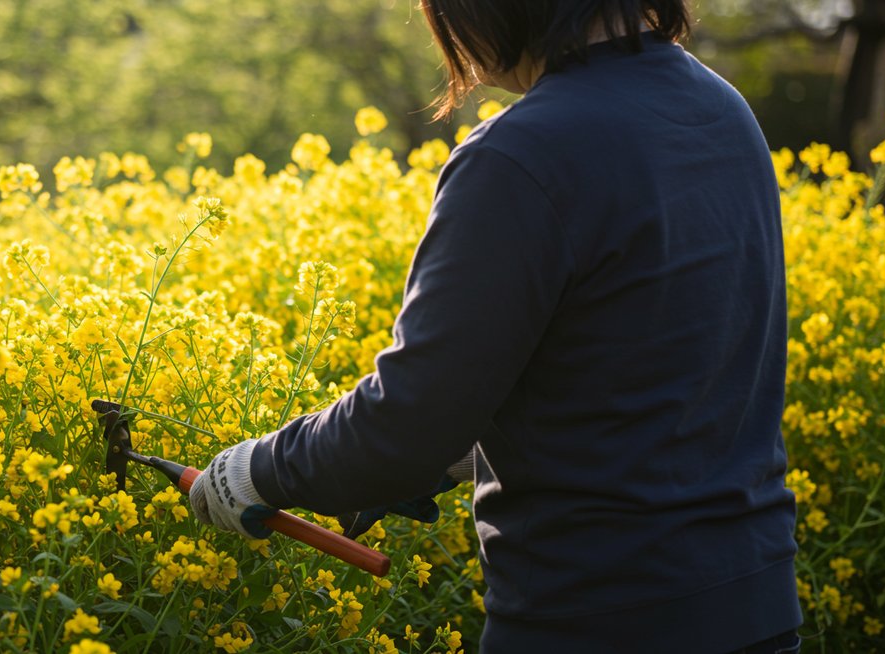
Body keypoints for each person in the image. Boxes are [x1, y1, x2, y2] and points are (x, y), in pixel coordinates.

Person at [188, 1, 804, 652]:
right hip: (754, 606)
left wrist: (258, 470)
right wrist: (479, 442)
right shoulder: (721, 110)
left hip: (598, 619)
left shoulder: (522, 155)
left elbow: (404, 425)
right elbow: (657, 356)